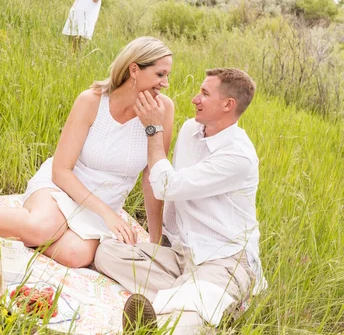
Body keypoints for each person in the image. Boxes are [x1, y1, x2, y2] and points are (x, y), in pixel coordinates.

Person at [0, 37, 174, 268]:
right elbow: (61, 171)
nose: (165, 83)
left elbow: (153, 180)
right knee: (43, 227)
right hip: (62, 187)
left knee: (75, 255)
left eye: (167, 76)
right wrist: (108, 215)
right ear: (134, 69)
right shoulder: (92, 101)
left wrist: (155, 242)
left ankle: (18, 229)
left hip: (104, 205)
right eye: (160, 74)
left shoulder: (164, 110)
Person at [95, 68, 266, 334]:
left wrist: (153, 129)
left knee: (193, 314)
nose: (195, 99)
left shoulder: (238, 157)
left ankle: (159, 325)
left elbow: (166, 185)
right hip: (183, 253)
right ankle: (194, 295)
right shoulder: (190, 131)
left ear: (227, 105)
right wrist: (160, 240)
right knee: (107, 253)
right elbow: (174, 198)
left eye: (205, 94)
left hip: (224, 259)